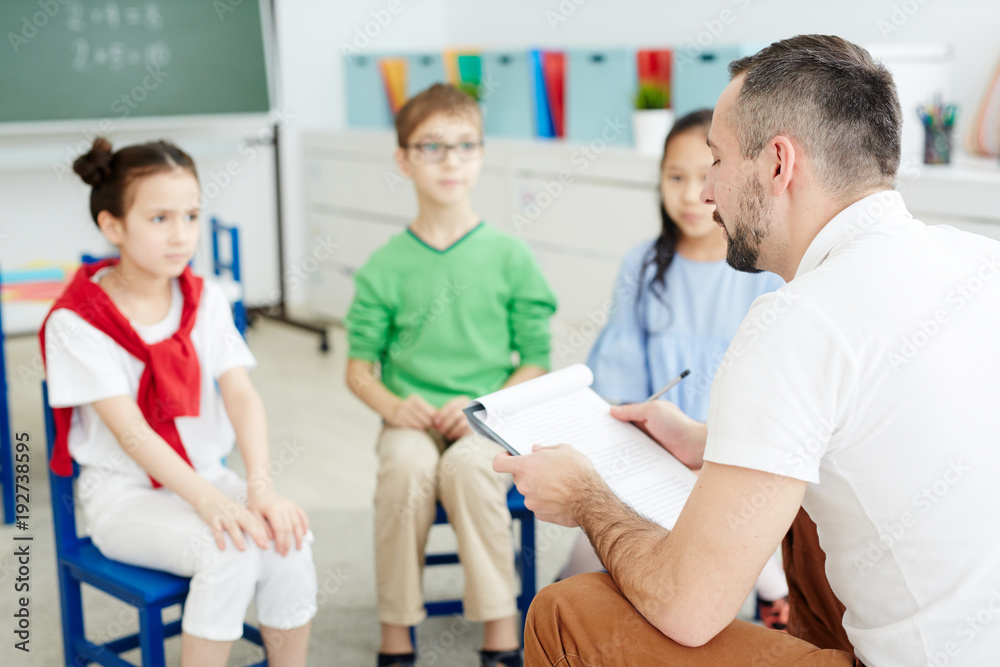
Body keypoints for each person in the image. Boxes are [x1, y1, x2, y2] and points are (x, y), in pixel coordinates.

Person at [495, 34, 1000, 666]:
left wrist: (587, 500)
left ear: (778, 164)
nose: (707, 192)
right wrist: (711, 443)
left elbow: (687, 608)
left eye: (717, 160)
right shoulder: (982, 260)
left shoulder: (796, 321)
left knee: (566, 613)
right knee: (808, 510)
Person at [42, 138, 316, 667]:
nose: (181, 235)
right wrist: (211, 505)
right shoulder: (76, 321)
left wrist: (259, 486)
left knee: (288, 538)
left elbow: (240, 393)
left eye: (190, 215)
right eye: (160, 218)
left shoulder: (207, 298)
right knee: (231, 550)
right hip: (125, 498)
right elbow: (132, 433)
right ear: (113, 226)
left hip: (207, 477)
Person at [344, 83, 557, 667]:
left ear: (482, 155)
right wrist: (393, 407)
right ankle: (396, 631)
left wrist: (485, 408)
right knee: (406, 469)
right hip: (410, 421)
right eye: (432, 147)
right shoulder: (385, 266)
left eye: (465, 146)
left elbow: (536, 360)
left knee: (467, 470)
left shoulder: (510, 257)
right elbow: (358, 368)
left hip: (487, 420)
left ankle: (500, 631)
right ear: (403, 159)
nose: (450, 161)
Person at [564, 108, 789, 627]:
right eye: (674, 177)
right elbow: (618, 380)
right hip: (650, 452)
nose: (691, 194)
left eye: (705, 173)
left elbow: (773, 397)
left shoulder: (765, 276)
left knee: (718, 527)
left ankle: (771, 596)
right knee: (580, 574)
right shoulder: (642, 266)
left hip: (735, 455)